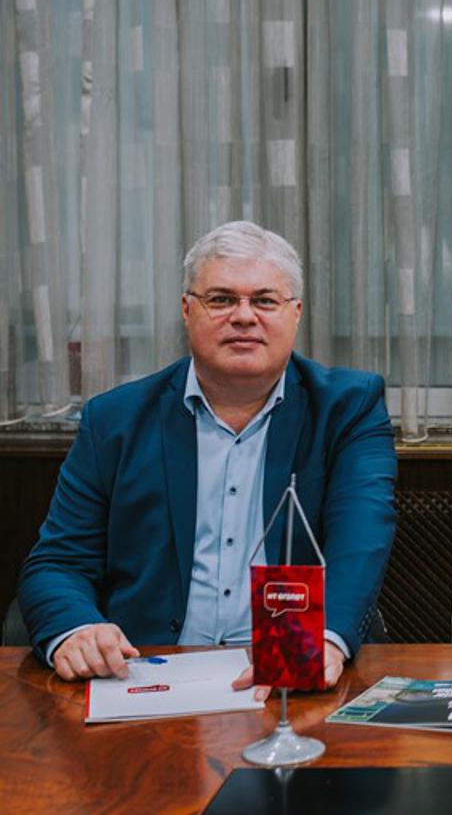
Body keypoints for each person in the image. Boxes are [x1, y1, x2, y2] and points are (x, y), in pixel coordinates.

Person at [18, 221, 397, 691]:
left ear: (295, 313)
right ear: (187, 310)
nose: (244, 316)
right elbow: (57, 563)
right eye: (221, 299)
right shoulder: (115, 420)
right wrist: (77, 629)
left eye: (265, 300)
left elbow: (360, 542)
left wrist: (322, 641)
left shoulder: (347, 408)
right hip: (145, 675)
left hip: (295, 671)